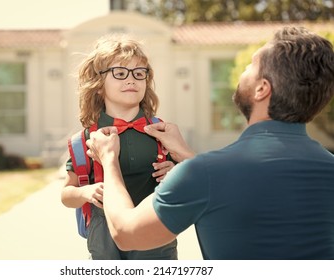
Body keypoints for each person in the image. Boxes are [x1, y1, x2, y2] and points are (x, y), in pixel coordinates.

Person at [86, 26, 334, 259]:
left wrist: (109, 161)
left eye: (250, 65)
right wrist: (186, 153)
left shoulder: (204, 173)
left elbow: (126, 235)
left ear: (262, 89)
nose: (242, 70)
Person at [61, 34, 177, 260]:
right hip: (104, 237)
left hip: (155, 232)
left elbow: (191, 183)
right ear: (98, 85)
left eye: (139, 73)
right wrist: (85, 192)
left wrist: (175, 172)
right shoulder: (86, 139)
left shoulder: (164, 133)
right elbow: (67, 194)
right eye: (120, 73)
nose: (131, 80)